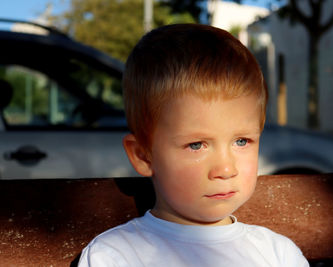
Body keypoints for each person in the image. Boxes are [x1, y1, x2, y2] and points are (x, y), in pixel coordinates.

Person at [78, 24, 309, 267]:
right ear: (143, 156)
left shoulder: (278, 255)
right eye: (197, 145)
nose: (226, 169)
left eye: (241, 141)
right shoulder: (117, 256)